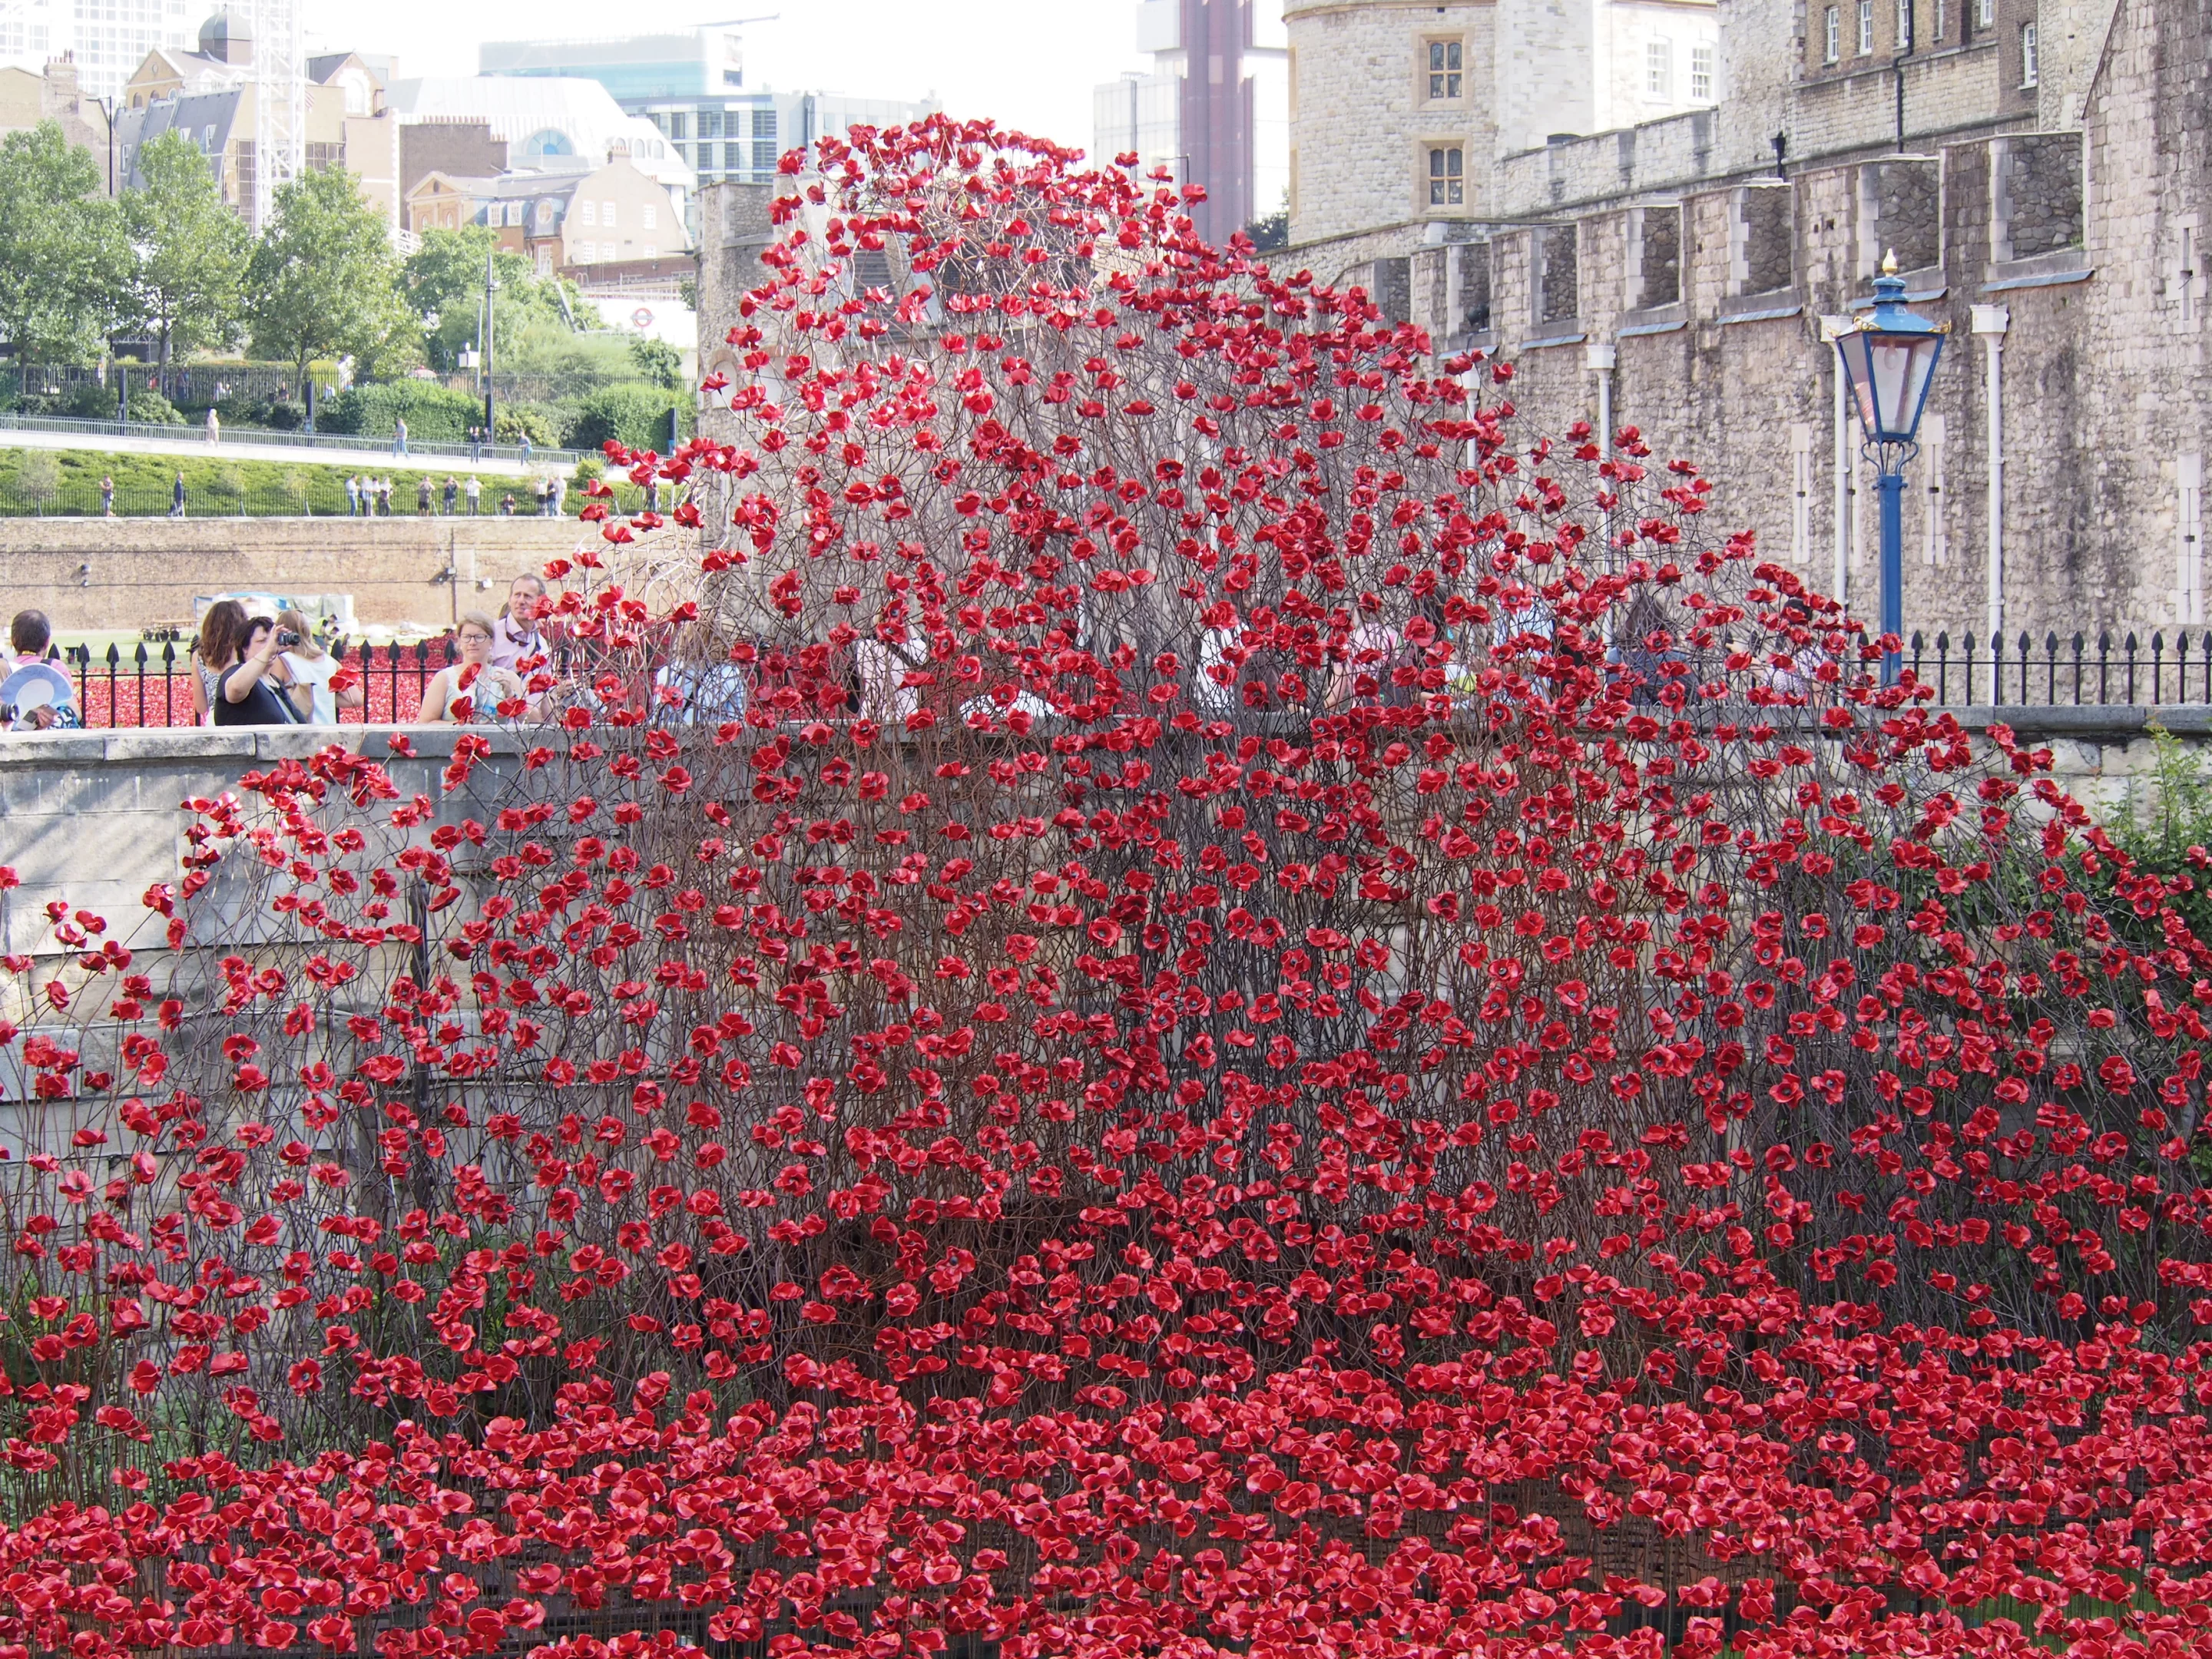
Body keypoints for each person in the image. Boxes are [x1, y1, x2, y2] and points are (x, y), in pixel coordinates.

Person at [418, 612, 524, 724]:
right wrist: (461, 725)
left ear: (491, 642)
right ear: (459, 642)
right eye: (467, 637)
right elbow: (426, 723)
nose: (472, 642)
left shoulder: (507, 677)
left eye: (479, 637)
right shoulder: (444, 679)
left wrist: (511, 695)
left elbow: (533, 721)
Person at [274, 608, 363, 725]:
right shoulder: (330, 661)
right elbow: (356, 699)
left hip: (301, 733)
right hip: (329, 731)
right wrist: (325, 698)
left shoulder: (282, 661)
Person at [209, 614, 300, 727]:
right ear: (245, 649)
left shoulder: (276, 682)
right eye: (262, 641)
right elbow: (235, 689)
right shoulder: (235, 672)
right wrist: (268, 651)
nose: (271, 645)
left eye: (272, 640)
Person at [3, 610, 81, 730]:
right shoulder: (56, 667)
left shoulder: (4, 669)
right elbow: (73, 710)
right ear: (47, 642)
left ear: (13, 641)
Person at [190, 599, 246, 724]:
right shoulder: (245, 653)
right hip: (244, 718)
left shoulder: (199, 657)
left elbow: (201, 707)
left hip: (215, 721)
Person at [488, 575, 551, 671]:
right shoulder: (491, 636)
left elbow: (546, 684)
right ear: (509, 600)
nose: (521, 601)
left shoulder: (541, 645)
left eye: (528, 596)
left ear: (541, 603)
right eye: (517, 595)